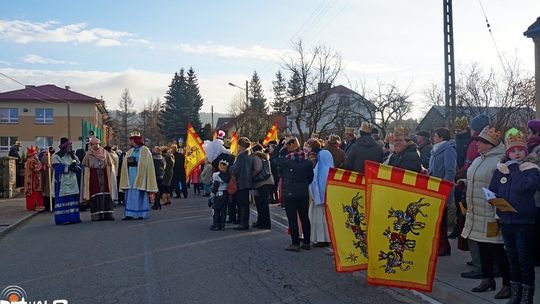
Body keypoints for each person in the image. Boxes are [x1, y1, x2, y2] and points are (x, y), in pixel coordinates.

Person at [488, 129, 539, 304]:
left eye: (520, 150)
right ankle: (515, 292)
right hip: (505, 219)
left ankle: (527, 296)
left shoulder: (530, 169)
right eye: (513, 151)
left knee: (524, 258)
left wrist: (515, 169)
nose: (516, 154)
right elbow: (493, 189)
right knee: (512, 257)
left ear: (525, 151)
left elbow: (523, 187)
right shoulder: (501, 169)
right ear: (508, 153)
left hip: (523, 221)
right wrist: (493, 199)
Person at [461, 126, 511, 299]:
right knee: (483, 248)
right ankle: (488, 279)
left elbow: (502, 187)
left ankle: (507, 283)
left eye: (481, 142)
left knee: (497, 249)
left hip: (491, 213)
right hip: (477, 212)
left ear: (490, 144)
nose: (477, 145)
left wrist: (498, 212)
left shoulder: (500, 162)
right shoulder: (478, 160)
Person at [461, 113, 491, 279]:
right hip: (475, 194)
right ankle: (483, 265)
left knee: (478, 234)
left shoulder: (476, 146)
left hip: (481, 198)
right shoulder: (476, 146)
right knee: (477, 233)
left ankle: (483, 267)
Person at [277, 137, 314, 251]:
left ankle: (295, 243)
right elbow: (310, 178)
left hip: (290, 192)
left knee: (292, 218)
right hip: (303, 192)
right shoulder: (307, 161)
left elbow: (274, 159)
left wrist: (280, 146)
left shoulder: (286, 161)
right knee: (304, 217)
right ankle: (307, 242)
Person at [427, 128, 457, 256]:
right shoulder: (435, 150)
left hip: (442, 188)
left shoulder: (448, 150)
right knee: (437, 220)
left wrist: (444, 187)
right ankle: (438, 245)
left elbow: (450, 171)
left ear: (440, 137)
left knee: (442, 220)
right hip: (433, 188)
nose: (433, 138)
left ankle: (444, 247)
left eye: (435, 136)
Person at [119, 132, 158, 220]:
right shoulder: (130, 151)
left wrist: (137, 161)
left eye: (132, 141)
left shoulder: (145, 150)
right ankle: (129, 214)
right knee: (130, 195)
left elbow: (147, 164)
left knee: (140, 194)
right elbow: (125, 162)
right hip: (130, 176)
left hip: (140, 176)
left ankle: (141, 213)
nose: (131, 143)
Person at [80, 137, 117, 221]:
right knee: (96, 194)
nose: (95, 146)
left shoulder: (105, 153)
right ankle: (97, 215)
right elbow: (85, 167)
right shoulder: (88, 155)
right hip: (94, 176)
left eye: (97, 144)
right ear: (90, 145)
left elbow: (110, 164)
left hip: (105, 175)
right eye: (93, 144)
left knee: (106, 193)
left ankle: (108, 214)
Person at [306, 138, 333, 247]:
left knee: (319, 218)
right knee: (325, 217)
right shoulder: (328, 163)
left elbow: (315, 178)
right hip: (326, 193)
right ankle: (327, 238)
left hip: (319, 195)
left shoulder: (319, 163)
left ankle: (321, 239)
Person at [451, 117, 472, 239]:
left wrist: (462, 169)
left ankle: (463, 228)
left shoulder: (469, 141)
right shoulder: (455, 141)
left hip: (465, 174)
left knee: (465, 203)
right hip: (457, 175)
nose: (458, 131)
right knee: (458, 202)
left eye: (460, 129)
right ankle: (458, 228)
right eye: (456, 129)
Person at [52, 138, 81, 225]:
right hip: (62, 182)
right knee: (63, 200)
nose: (71, 147)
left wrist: (76, 168)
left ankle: (74, 218)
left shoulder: (72, 156)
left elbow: (79, 165)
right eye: (69, 146)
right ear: (64, 147)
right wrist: (69, 168)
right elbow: (57, 168)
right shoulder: (57, 156)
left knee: (72, 199)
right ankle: (62, 219)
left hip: (72, 181)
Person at [526, 119, 540, 267]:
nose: (528, 134)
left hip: (537, 196)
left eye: (530, 131)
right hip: (530, 197)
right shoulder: (531, 147)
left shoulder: (538, 149)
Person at [231, 137, 253, 230]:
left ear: (240, 146)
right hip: (247, 182)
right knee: (245, 204)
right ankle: (245, 223)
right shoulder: (249, 156)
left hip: (241, 182)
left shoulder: (241, 156)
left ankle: (243, 224)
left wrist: (230, 168)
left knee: (241, 204)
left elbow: (236, 169)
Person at [251, 144, 274, 230]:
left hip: (261, 183)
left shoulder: (256, 157)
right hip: (267, 181)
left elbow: (257, 168)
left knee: (262, 205)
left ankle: (264, 223)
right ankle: (261, 221)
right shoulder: (265, 157)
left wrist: (251, 175)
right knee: (262, 204)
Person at [210, 159, 231, 230]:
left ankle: (216, 224)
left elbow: (214, 188)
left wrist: (211, 197)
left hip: (219, 195)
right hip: (226, 195)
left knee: (216, 210)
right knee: (223, 211)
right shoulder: (228, 176)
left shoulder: (216, 176)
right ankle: (222, 225)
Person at [24, 146, 45, 211]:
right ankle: (36, 206)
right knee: (35, 193)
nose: (37, 155)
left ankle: (33, 206)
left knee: (34, 193)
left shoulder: (30, 160)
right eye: (35, 154)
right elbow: (35, 168)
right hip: (33, 180)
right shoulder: (32, 160)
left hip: (33, 179)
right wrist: (43, 167)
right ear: (33, 155)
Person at [40, 147, 55, 212]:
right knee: (47, 191)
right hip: (46, 176)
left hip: (51, 176)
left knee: (50, 191)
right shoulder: (45, 158)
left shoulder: (53, 157)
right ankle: (48, 206)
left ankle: (50, 206)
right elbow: (42, 166)